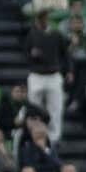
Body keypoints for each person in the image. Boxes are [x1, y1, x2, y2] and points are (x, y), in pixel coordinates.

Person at [24, 8, 69, 143]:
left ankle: (54, 138)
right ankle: (34, 136)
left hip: (53, 75)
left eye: (44, 18)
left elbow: (65, 53)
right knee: (34, 108)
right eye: (40, 19)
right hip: (36, 75)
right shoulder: (31, 34)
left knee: (55, 108)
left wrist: (69, 70)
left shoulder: (56, 34)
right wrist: (31, 55)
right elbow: (25, 53)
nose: (42, 21)